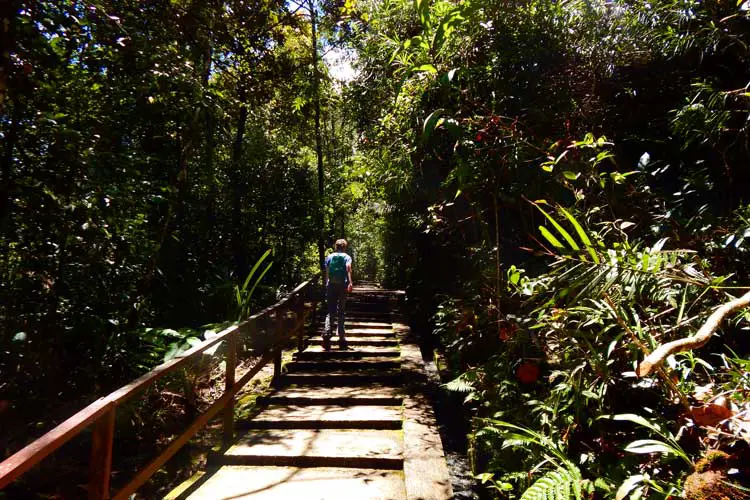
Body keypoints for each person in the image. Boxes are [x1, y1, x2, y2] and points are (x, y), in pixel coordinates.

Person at [323, 238, 353, 350]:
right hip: (343, 285)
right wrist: (350, 282)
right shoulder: (347, 257)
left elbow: (326, 269)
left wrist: (327, 282)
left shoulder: (330, 256)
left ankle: (327, 334)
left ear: (336, 246)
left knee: (330, 311)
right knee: (341, 311)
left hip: (331, 285)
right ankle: (341, 337)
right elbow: (348, 268)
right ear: (344, 247)